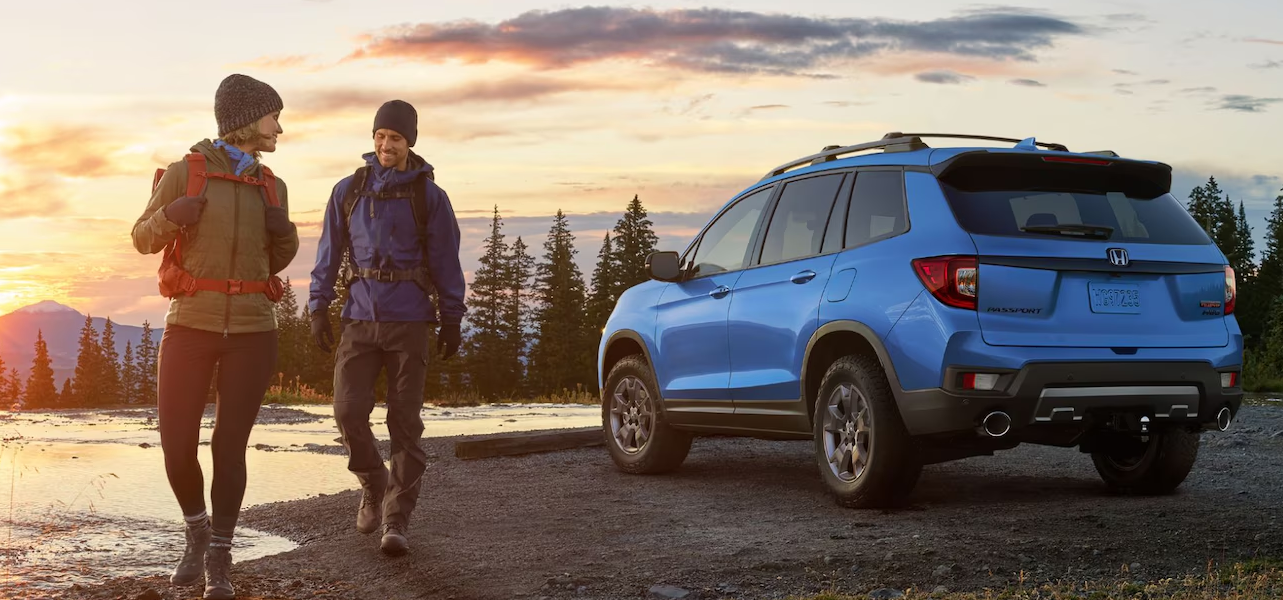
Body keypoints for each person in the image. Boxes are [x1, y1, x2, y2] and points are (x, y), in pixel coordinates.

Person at [131, 74, 298, 599]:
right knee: (177, 448)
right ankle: (196, 531)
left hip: (253, 330)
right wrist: (169, 214)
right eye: (274, 116)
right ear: (246, 119)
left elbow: (278, 259)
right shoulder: (187, 172)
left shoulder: (273, 184)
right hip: (190, 326)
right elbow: (141, 237)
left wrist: (283, 231)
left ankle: (220, 556)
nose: (280, 128)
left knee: (230, 446)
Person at [308, 99, 466, 556]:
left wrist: (452, 318)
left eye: (395, 138)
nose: (385, 144)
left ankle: (396, 521)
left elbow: (446, 262)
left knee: (404, 424)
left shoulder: (429, 197)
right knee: (347, 411)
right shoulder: (348, 190)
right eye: (380, 136)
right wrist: (318, 308)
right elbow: (328, 254)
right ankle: (374, 482)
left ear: (409, 142)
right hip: (358, 318)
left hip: (410, 320)